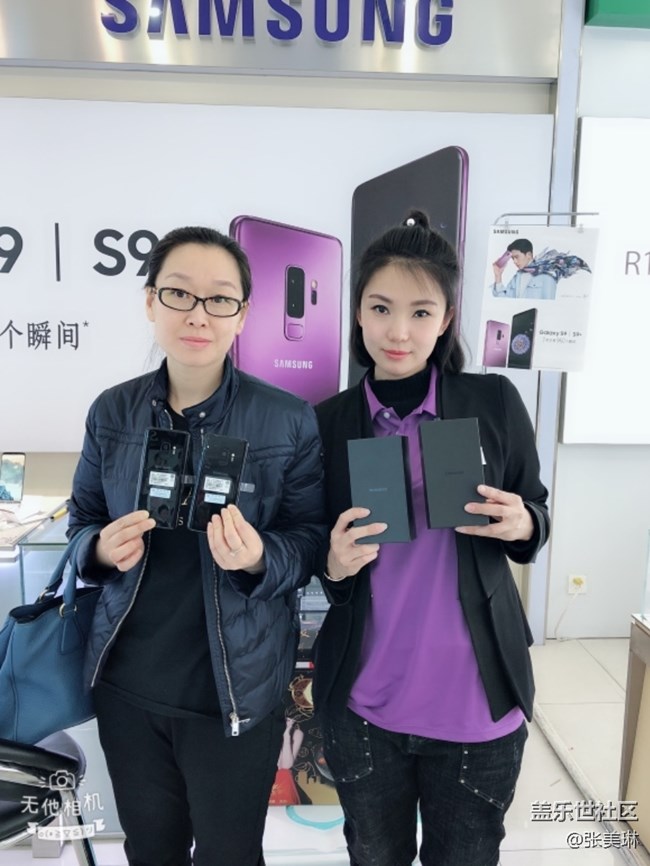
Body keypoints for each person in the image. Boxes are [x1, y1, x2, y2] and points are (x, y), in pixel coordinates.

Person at [67, 226, 327, 866]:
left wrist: (259, 558)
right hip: (127, 687)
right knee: (150, 850)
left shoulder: (287, 418)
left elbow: (308, 541)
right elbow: (82, 523)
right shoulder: (113, 413)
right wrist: (98, 549)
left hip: (234, 689)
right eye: (179, 293)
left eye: (219, 299)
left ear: (243, 313)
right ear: (150, 301)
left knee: (229, 853)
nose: (198, 314)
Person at [313, 211, 550, 866]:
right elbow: (309, 545)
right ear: (358, 313)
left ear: (445, 319)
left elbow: (536, 510)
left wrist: (523, 523)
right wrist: (331, 561)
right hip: (365, 705)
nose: (398, 331)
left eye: (421, 312)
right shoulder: (329, 421)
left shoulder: (493, 402)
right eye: (381, 308)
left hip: (476, 706)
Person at [492, 238, 558, 299]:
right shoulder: (516, 278)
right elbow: (505, 302)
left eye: (517, 257)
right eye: (513, 258)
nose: (514, 261)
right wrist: (498, 276)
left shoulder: (547, 275)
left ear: (529, 255)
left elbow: (549, 304)